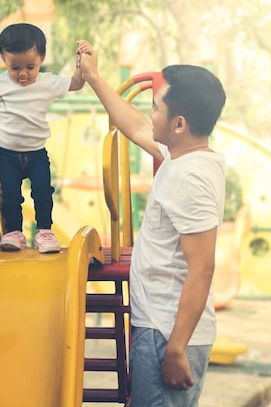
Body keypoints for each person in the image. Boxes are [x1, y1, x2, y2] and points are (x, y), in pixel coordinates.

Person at [78, 43, 226, 406]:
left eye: (157, 106)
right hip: (161, 326)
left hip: (168, 333)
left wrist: (175, 347)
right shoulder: (184, 156)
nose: (151, 111)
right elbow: (136, 126)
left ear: (179, 124)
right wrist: (94, 78)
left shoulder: (189, 176)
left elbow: (202, 266)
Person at [0, 23, 87, 253]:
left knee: (43, 193)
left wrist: (81, 65)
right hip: (7, 154)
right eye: (15, 67)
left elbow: (76, 83)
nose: (22, 73)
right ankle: (14, 233)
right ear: (4, 60)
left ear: (42, 59)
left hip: (36, 153)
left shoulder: (48, 82)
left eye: (30, 66)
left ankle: (44, 231)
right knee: (11, 196)